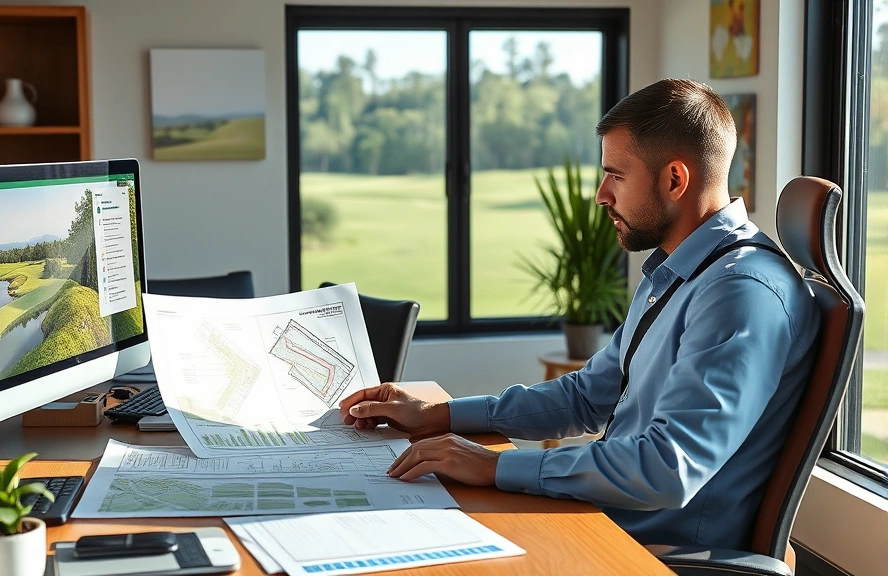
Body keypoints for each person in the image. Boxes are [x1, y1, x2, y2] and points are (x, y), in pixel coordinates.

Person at [339, 78, 820, 551]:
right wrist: (437, 415)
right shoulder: (682, 270)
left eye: (617, 175)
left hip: (646, 550)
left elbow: (668, 469)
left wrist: (494, 467)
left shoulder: (740, 292)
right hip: (604, 520)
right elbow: (588, 397)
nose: (601, 194)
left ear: (675, 179)